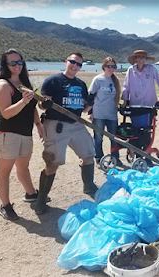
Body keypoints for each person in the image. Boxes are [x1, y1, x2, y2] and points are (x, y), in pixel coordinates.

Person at [36, 52, 98, 215]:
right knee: (52, 163)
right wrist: (45, 104)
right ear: (66, 62)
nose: (75, 66)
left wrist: (90, 104)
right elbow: (42, 105)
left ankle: (89, 185)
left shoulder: (81, 84)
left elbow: (83, 109)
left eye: (79, 64)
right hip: (56, 125)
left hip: (76, 123)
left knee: (88, 155)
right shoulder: (53, 81)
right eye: (73, 62)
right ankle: (41, 200)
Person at [0, 48, 45, 220]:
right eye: (12, 63)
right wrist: (23, 100)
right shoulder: (3, 85)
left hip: (25, 133)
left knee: (23, 167)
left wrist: (38, 124)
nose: (17, 66)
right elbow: (6, 113)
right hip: (7, 133)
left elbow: (32, 108)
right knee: (4, 170)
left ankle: (30, 193)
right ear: (5, 65)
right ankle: (5, 205)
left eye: (19, 62)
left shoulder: (24, 83)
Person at [122, 50, 159, 162]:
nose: (141, 59)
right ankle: (137, 154)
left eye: (143, 57)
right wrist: (125, 102)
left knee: (147, 130)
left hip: (149, 105)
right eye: (138, 57)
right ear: (135, 59)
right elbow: (126, 86)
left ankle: (146, 156)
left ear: (146, 59)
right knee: (135, 130)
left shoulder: (151, 69)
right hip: (135, 105)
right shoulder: (130, 71)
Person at [87, 57, 122, 166]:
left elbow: (117, 98)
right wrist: (90, 112)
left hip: (112, 114)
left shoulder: (115, 81)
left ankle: (115, 157)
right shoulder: (98, 79)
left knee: (114, 138)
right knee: (98, 137)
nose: (111, 69)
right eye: (109, 66)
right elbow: (91, 96)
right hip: (99, 114)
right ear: (104, 67)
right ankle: (99, 157)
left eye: (113, 67)